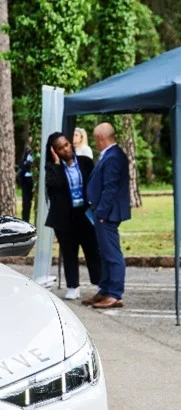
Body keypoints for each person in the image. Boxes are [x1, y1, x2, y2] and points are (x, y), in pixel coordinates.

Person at [44, 132, 100, 300]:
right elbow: (55, 187)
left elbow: (95, 184)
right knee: (69, 252)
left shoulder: (85, 162)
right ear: (54, 151)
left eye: (67, 144)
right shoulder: (52, 169)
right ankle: (73, 286)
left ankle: (99, 283)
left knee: (92, 250)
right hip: (65, 217)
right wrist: (57, 164)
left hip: (85, 213)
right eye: (60, 148)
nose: (66, 149)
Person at [84, 122, 131, 309]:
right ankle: (105, 289)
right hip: (104, 212)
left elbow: (110, 188)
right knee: (104, 252)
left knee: (111, 253)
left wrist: (101, 212)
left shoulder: (113, 157)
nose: (95, 142)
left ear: (101, 138)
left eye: (95, 139)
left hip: (107, 213)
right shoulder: (111, 155)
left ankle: (114, 293)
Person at [16, 134, 35, 223]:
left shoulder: (36, 151)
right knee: (26, 202)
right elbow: (21, 164)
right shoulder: (27, 151)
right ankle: (25, 221)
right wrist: (26, 164)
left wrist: (26, 164)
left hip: (33, 179)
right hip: (25, 180)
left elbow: (30, 164)